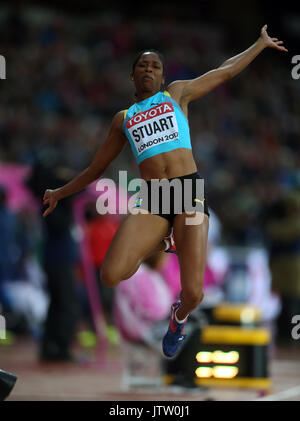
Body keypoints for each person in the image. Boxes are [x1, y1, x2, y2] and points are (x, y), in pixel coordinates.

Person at [42, 25, 287, 358]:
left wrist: (258, 45)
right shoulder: (123, 119)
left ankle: (178, 316)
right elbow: (95, 169)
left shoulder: (177, 94)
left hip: (187, 192)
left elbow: (224, 72)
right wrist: (60, 192)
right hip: (155, 198)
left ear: (162, 76)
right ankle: (164, 240)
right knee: (111, 275)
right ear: (132, 76)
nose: (149, 70)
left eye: (155, 66)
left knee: (194, 294)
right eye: (142, 66)